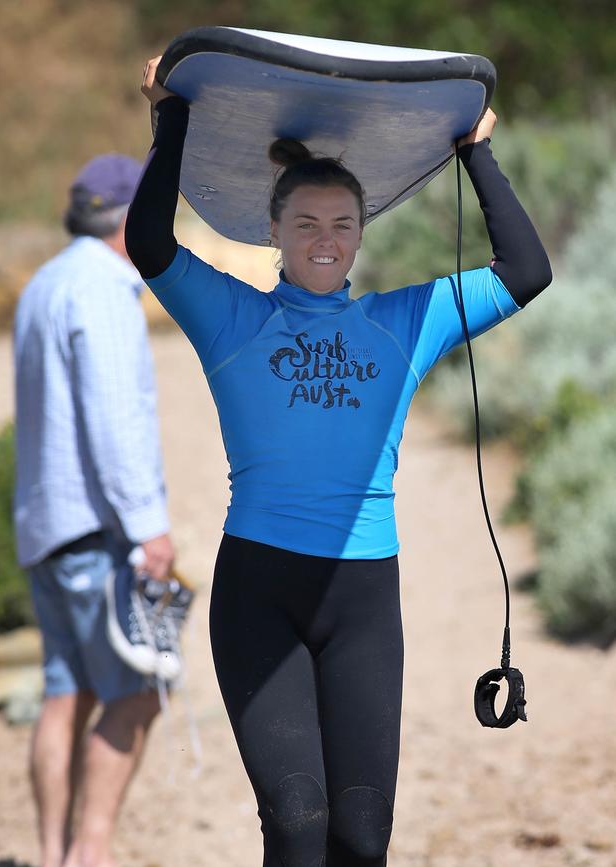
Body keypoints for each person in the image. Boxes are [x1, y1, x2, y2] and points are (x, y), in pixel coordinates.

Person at [126, 55, 552, 867]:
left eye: (342, 225)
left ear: (362, 235)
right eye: (307, 225)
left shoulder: (406, 320)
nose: (325, 241)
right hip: (261, 594)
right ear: (275, 232)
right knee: (296, 820)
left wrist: (475, 150)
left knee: (360, 834)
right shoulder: (231, 317)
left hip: (363, 598)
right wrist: (171, 113)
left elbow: (527, 271)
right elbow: (149, 239)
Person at [14, 152, 176, 867]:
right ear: (127, 221)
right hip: (96, 529)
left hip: (44, 525)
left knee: (65, 691)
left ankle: (54, 854)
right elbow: (115, 419)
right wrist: (149, 526)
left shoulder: (43, 284)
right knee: (139, 693)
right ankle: (92, 850)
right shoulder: (105, 289)